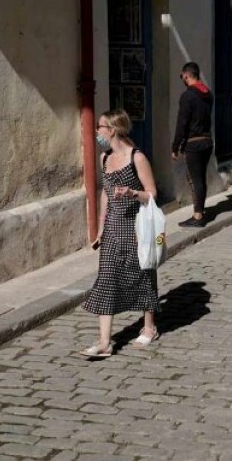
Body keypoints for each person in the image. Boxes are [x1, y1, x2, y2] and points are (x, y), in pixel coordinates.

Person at [80, 109, 159, 357]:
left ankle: (149, 327)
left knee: (143, 274)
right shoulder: (105, 158)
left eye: (100, 127)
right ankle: (105, 342)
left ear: (112, 130)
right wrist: (101, 227)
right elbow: (105, 193)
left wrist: (132, 193)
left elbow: (152, 193)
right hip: (113, 228)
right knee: (107, 278)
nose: (97, 132)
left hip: (136, 227)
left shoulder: (137, 157)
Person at [172, 62, 214, 228]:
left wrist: (175, 146)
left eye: (181, 76)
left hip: (193, 143)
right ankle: (200, 210)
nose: (182, 78)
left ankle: (198, 216)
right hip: (207, 141)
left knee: (194, 179)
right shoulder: (208, 94)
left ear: (187, 75)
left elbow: (182, 123)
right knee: (201, 178)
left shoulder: (188, 96)